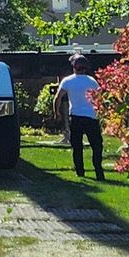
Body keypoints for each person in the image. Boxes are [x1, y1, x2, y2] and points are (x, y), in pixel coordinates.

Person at [55, 50, 104, 182]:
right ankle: (99, 172)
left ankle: (80, 172)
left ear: (73, 67)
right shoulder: (92, 81)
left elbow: (58, 98)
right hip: (91, 117)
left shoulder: (67, 81)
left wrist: (57, 112)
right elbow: (100, 98)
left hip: (75, 117)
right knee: (96, 145)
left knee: (77, 146)